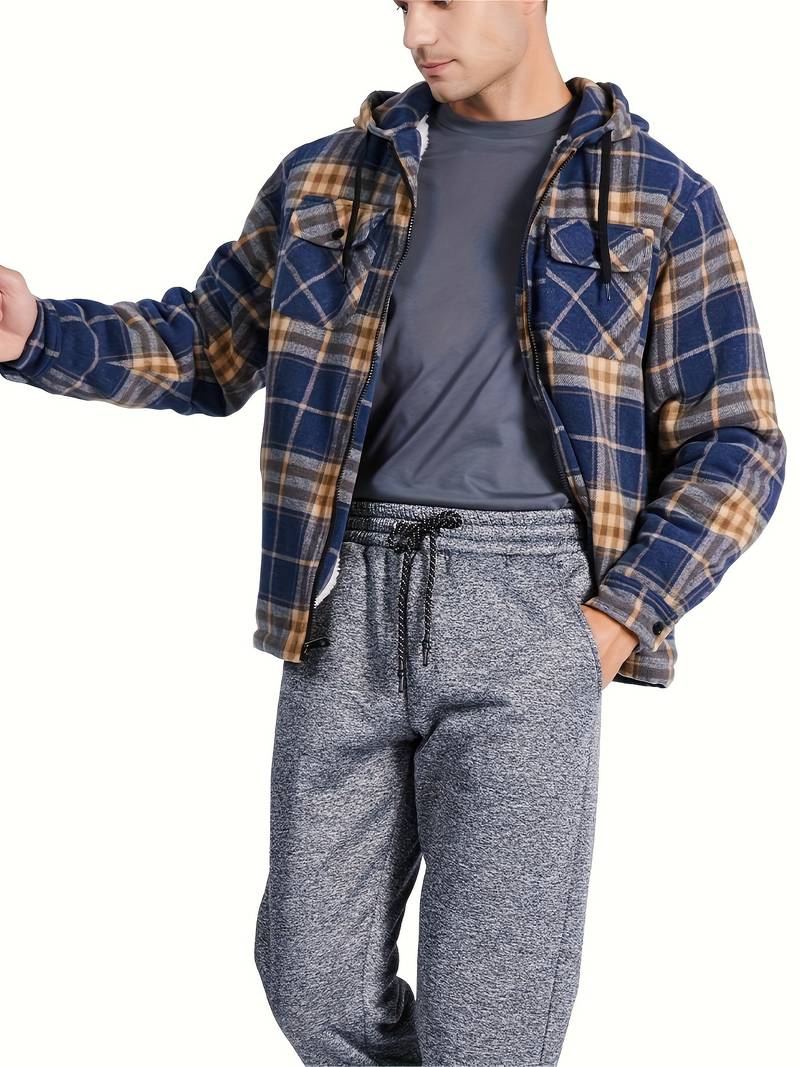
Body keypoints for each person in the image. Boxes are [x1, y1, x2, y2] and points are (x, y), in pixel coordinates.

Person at [0, 1, 787, 1064]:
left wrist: (614, 621)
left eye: (443, 0)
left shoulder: (658, 194)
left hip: (534, 607)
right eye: (402, 3)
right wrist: (38, 334)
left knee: (489, 1023)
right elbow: (208, 348)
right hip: (348, 595)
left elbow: (737, 438)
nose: (416, 31)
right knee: (309, 981)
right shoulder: (328, 177)